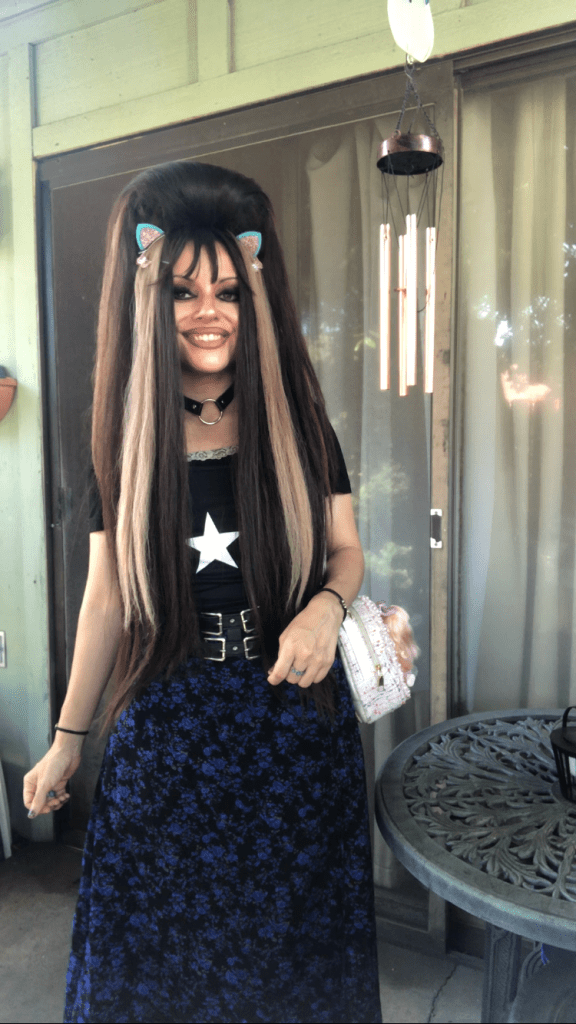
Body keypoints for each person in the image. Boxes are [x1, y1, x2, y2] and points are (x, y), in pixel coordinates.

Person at [23, 161, 383, 1024]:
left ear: (255, 297)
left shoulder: (300, 422)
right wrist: (67, 741)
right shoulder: (122, 438)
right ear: (150, 300)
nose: (208, 311)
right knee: (159, 964)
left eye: (227, 289)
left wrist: (325, 610)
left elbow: (346, 553)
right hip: (170, 732)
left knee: (291, 964)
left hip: (295, 723)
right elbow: (105, 601)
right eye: (183, 291)